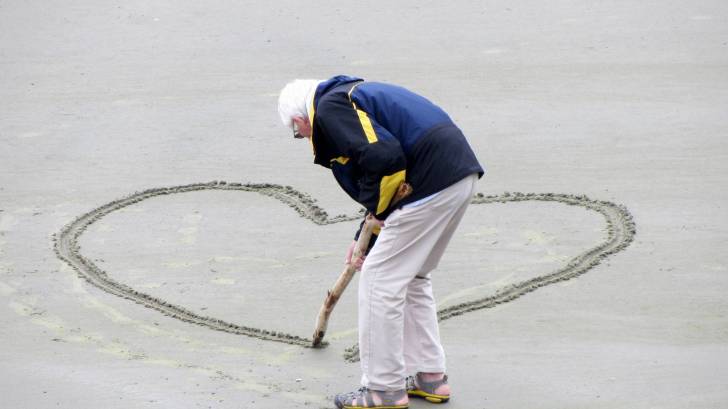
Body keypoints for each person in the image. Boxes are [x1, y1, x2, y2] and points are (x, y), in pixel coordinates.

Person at [278, 75, 484, 409]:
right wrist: (366, 232)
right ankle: (429, 376)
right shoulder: (350, 94)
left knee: (379, 280)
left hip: (429, 181)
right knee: (412, 274)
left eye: (296, 131)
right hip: (458, 175)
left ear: (300, 119)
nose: (301, 136)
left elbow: (386, 158)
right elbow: (386, 172)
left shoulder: (329, 109)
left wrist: (374, 220)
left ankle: (383, 388)